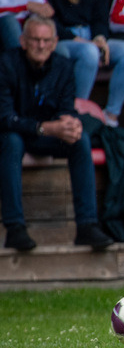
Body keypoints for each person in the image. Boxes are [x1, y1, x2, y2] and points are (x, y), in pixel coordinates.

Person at [0, 15, 114, 251]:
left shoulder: (63, 66)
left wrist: (70, 125)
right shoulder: (6, 64)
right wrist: (44, 127)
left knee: (79, 140)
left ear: (54, 43)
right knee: (11, 142)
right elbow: (5, 118)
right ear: (23, 41)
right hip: (13, 133)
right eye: (35, 40)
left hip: (46, 134)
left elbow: (66, 109)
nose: (40, 46)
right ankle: (15, 228)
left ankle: (87, 225)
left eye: (46, 41)